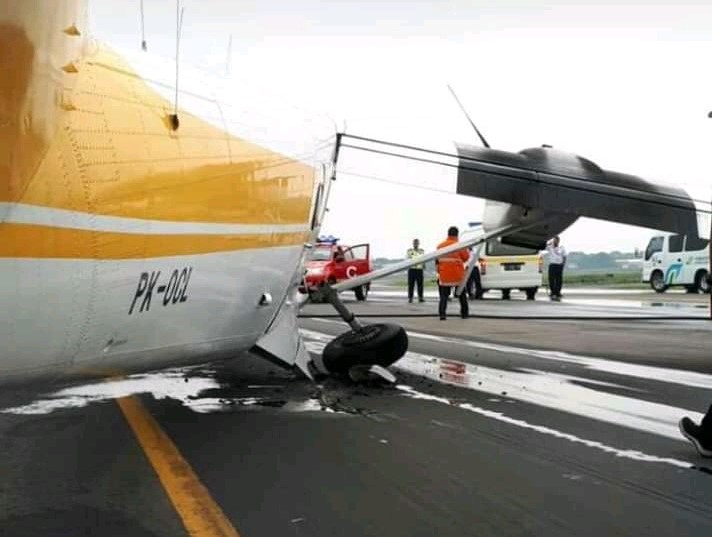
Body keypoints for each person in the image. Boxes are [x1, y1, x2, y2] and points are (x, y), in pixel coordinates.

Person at [436, 226, 470, 320]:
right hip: (457, 275)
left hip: (444, 275)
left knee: (444, 296)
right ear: (457, 234)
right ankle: (464, 313)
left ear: (448, 234)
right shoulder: (460, 245)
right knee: (462, 295)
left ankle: (442, 314)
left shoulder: (440, 246)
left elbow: (437, 260)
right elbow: (466, 257)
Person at [546, 236, 567, 301]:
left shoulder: (562, 248)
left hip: (559, 265)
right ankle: (553, 292)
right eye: (554, 240)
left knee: (559, 280)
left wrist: (563, 264)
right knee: (551, 279)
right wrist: (550, 242)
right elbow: (544, 246)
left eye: (556, 240)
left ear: (558, 241)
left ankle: (558, 292)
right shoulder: (550, 247)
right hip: (552, 265)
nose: (555, 242)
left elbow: (564, 256)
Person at [406, 239, 425, 303]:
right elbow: (407, 259)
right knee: (411, 284)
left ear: (418, 243)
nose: (416, 244)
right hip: (412, 269)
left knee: (420, 284)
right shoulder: (409, 251)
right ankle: (410, 298)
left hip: (419, 269)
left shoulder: (421, 251)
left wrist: (424, 265)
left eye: (417, 243)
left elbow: (423, 259)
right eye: (414, 243)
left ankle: (420, 297)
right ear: (413, 244)